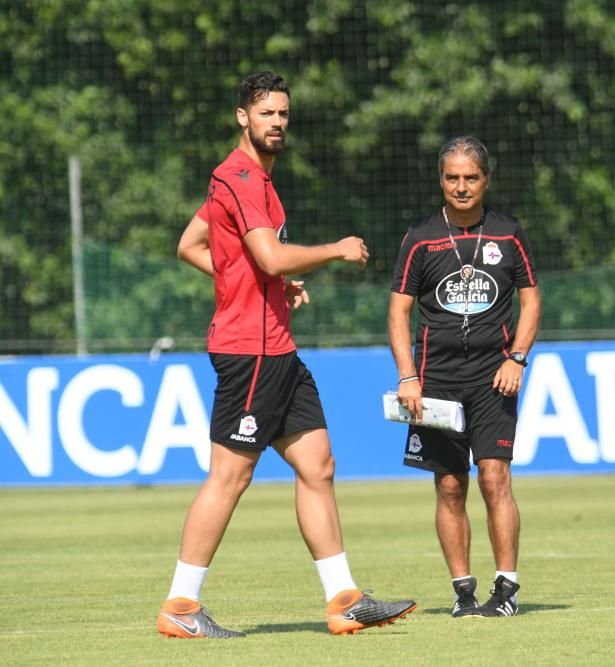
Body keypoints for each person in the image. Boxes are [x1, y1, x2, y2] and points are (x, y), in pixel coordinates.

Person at [159, 71, 415, 639]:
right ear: (242, 117)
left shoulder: (251, 180)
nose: (277, 122)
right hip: (250, 351)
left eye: (283, 114)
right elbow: (270, 258)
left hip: (278, 349)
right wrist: (334, 251)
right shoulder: (242, 176)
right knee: (229, 478)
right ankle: (181, 605)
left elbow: (191, 246)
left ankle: (343, 598)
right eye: (266, 112)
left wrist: (262, 283)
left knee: (317, 466)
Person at [387, 136, 542, 618]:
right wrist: (408, 376)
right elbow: (398, 311)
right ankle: (464, 593)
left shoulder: (509, 233)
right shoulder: (420, 238)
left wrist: (516, 358)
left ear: (486, 180)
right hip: (434, 382)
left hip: (493, 379)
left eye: (470, 177)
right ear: (441, 180)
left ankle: (507, 588)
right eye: (452, 177)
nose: (461, 186)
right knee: (450, 485)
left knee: (495, 477)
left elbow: (531, 299)